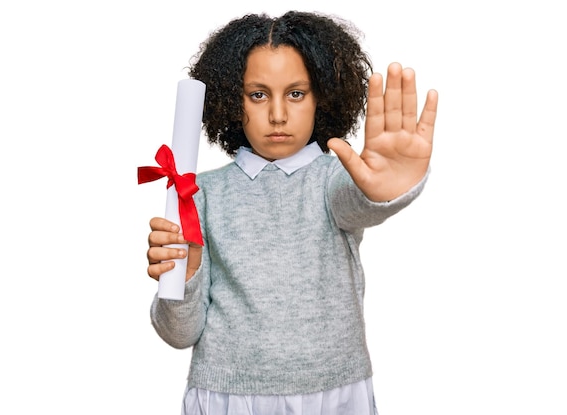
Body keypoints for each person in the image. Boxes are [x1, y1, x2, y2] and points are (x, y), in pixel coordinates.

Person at [145, 10, 438, 415]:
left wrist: (388, 189)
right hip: (228, 398)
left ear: (323, 96)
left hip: (333, 394)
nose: (278, 114)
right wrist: (186, 273)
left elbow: (361, 201)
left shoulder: (334, 179)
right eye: (258, 94)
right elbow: (180, 334)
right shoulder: (199, 195)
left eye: (296, 93)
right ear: (232, 99)